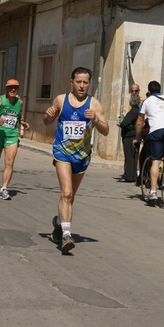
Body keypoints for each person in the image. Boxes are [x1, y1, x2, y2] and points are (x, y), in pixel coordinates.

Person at [43, 67, 109, 251]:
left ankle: (58, 222)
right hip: (62, 152)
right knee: (66, 193)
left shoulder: (94, 104)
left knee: (71, 197)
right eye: (78, 82)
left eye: (85, 82)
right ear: (72, 82)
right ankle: (66, 235)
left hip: (81, 156)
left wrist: (95, 119)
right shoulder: (61, 100)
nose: (82, 85)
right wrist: (47, 116)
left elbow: (106, 130)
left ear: (89, 84)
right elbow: (47, 121)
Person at [0, 79, 30, 200]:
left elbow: (17, 115)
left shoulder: (20, 102)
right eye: (10, 87)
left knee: (9, 162)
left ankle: (3, 189)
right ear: (6, 89)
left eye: (15, 87)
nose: (13, 90)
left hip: (12, 135)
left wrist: (22, 122)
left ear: (18, 89)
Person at [133, 81, 164, 200]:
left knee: (155, 161)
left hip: (157, 131)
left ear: (149, 91)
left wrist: (137, 137)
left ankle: (153, 191)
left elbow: (139, 121)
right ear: (160, 90)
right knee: (163, 153)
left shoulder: (146, 101)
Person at [117, 92, 140, 182]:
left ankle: (129, 176)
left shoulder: (132, 112)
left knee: (129, 156)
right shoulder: (138, 111)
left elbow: (125, 123)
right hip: (136, 135)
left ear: (131, 102)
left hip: (129, 136)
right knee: (134, 156)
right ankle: (133, 176)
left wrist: (120, 123)